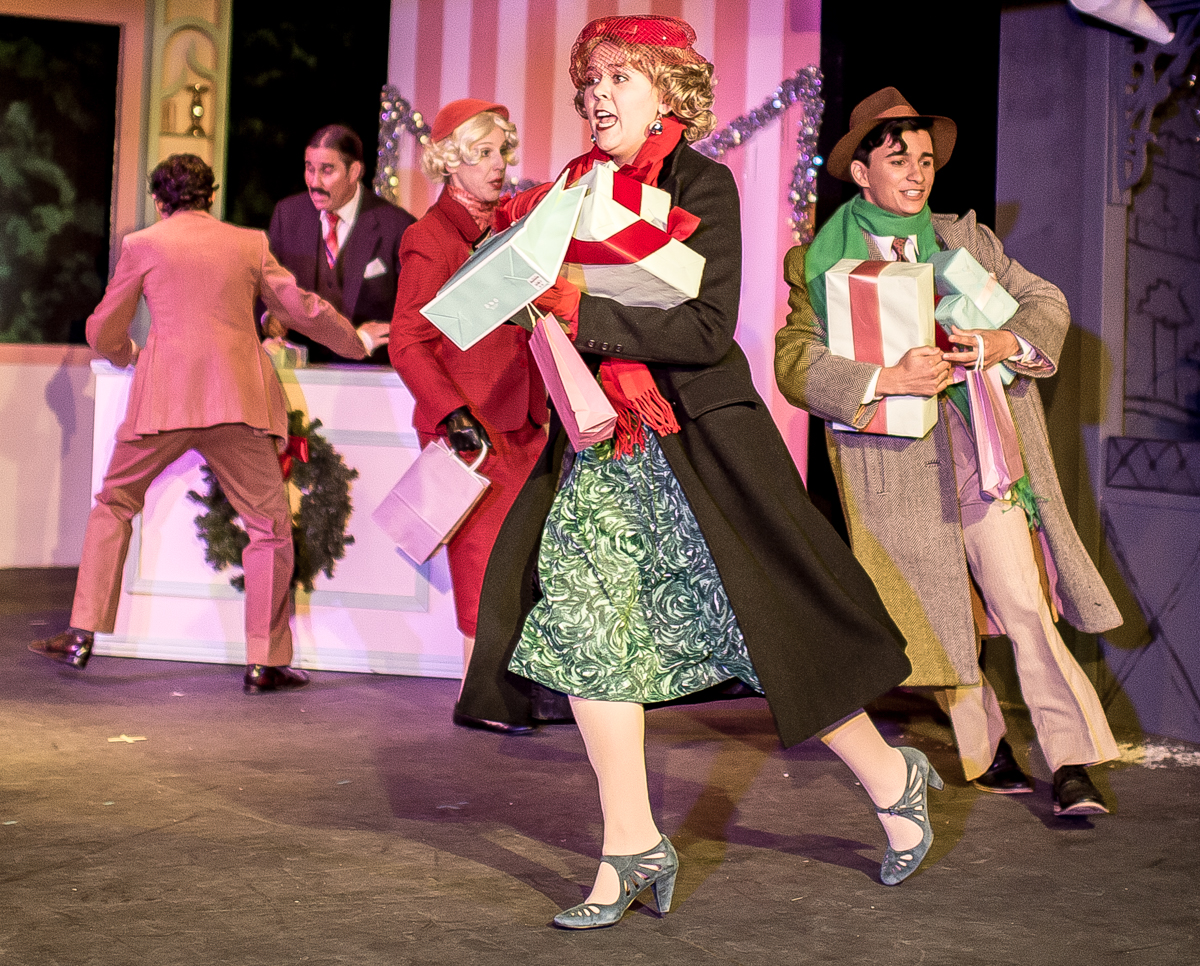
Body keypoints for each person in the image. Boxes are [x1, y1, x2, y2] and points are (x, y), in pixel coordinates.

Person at [458, 17, 942, 929]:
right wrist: (521, 293)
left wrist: (582, 305)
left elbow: (706, 329)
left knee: (763, 628)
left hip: (697, 451)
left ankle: (891, 777)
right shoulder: (569, 189)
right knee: (588, 629)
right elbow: (550, 311)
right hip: (604, 452)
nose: (597, 96)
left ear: (666, 93)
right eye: (590, 82)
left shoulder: (701, 184)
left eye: (619, 78)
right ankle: (632, 844)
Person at [775, 87, 1122, 817]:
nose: (917, 172)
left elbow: (1047, 302)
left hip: (984, 454)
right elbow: (795, 363)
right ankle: (984, 748)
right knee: (937, 616)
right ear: (861, 172)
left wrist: (1002, 340)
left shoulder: (968, 242)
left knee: (1025, 605)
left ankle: (1072, 761)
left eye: (926, 160)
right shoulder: (821, 263)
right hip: (894, 470)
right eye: (898, 158)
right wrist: (886, 378)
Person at [28, 154, 384, 694]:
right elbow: (301, 307)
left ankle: (81, 634)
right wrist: (354, 342)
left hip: (163, 402)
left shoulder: (143, 244)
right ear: (210, 196)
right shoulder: (247, 243)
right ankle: (264, 661)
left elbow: (103, 328)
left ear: (158, 201)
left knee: (114, 505)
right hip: (236, 403)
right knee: (269, 529)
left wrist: (127, 354)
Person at [388, 99, 554, 733]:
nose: (498, 165)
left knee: (526, 561)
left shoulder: (507, 229)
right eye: (482, 154)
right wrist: (452, 412)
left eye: (501, 152)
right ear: (450, 162)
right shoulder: (430, 238)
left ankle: (518, 689)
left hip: (523, 420)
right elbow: (407, 341)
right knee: (482, 561)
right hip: (474, 432)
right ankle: (481, 696)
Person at [265, 124, 415, 363]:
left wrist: (365, 339)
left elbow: (413, 315)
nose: (314, 182)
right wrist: (268, 318)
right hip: (303, 371)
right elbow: (265, 287)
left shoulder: (398, 226)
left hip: (370, 372)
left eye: (327, 171)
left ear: (354, 171)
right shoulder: (288, 215)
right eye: (309, 169)